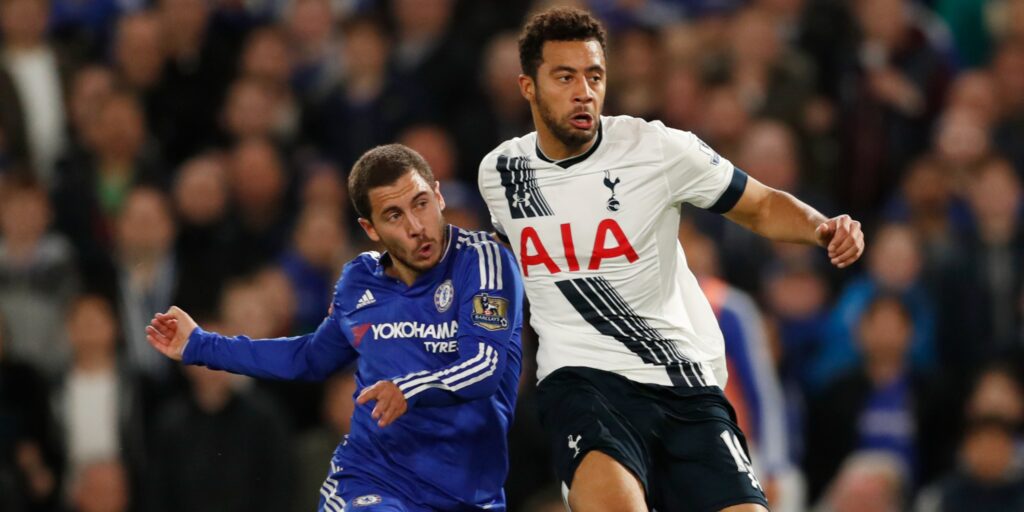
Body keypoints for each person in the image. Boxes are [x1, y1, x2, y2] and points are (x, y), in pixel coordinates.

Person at [477, 7, 865, 511]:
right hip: (583, 383)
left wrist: (822, 226)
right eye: (564, 76)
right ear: (528, 86)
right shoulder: (501, 173)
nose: (583, 91)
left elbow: (762, 204)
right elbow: (495, 261)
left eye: (594, 76)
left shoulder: (655, 148)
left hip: (684, 382)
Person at [146, 144, 524, 512]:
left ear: (438, 196)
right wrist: (201, 344)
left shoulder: (482, 261)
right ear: (370, 228)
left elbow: (485, 367)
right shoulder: (360, 282)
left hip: (469, 493)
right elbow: (309, 357)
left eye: (421, 204)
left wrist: (409, 389)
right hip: (372, 479)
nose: (416, 227)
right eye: (393, 215)